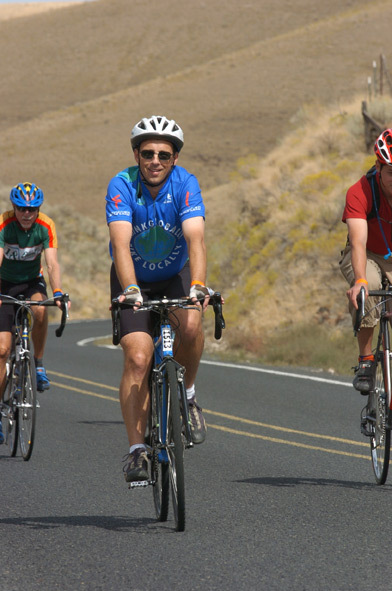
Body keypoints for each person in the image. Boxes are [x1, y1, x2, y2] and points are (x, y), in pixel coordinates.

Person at [105, 115, 211, 483]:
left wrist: (198, 284)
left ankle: (190, 394)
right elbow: (120, 243)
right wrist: (130, 290)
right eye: (147, 153)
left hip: (175, 276)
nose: (155, 161)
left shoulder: (186, 185)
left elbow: (195, 238)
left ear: (175, 159)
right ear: (136, 153)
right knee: (138, 356)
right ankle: (137, 451)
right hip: (132, 280)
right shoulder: (121, 185)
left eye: (164, 155)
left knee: (193, 323)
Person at [0, 182, 66, 445]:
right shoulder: (4, 224)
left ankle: (37, 365)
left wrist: (58, 291)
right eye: (21, 208)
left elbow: (51, 263)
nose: (26, 214)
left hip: (31, 283)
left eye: (32, 209)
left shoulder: (45, 225)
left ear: (38, 209)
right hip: (4, 284)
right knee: (3, 350)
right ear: (13, 207)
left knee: (40, 309)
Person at [340, 128, 392, 393]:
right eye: (391, 173)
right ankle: (366, 359)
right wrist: (359, 280)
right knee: (368, 285)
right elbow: (358, 241)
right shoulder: (360, 191)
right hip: (366, 255)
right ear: (378, 167)